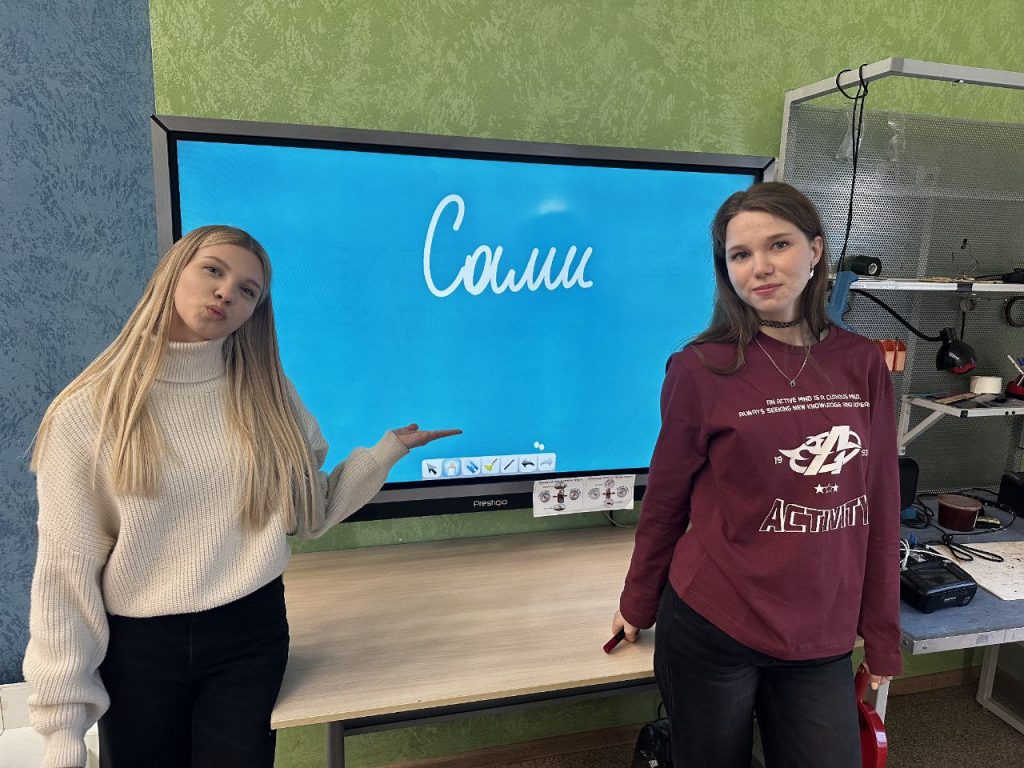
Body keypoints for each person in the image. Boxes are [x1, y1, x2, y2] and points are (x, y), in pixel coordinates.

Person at [24, 225, 460, 768]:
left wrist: (385, 453)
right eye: (213, 270)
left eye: (248, 290)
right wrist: (62, 729)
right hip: (138, 646)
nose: (226, 292)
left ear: (256, 311)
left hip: (251, 633)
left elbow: (308, 514)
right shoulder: (88, 412)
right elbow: (66, 569)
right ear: (173, 273)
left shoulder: (269, 397)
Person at [613, 182, 902, 768]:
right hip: (715, 620)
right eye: (740, 254)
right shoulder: (700, 368)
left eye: (778, 245)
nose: (760, 267)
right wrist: (637, 603)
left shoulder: (861, 362)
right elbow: (666, 500)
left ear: (815, 250)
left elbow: (879, 501)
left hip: (821, 629)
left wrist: (882, 632)